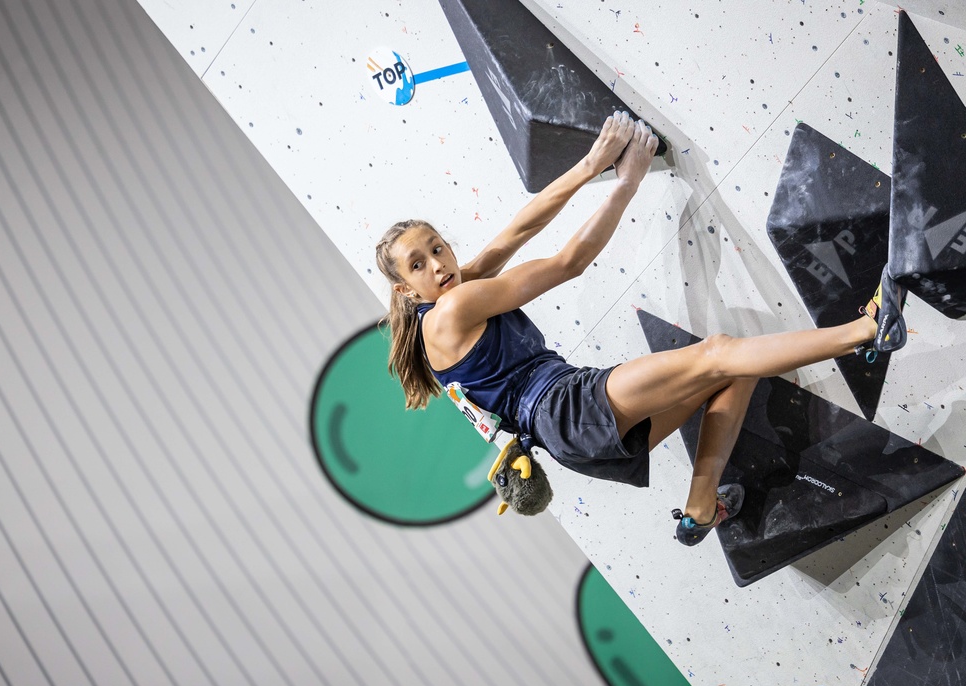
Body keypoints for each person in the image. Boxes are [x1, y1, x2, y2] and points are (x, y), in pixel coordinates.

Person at [376, 112, 905, 544]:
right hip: (566, 407)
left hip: (566, 433)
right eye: (417, 265)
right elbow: (568, 262)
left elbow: (520, 227)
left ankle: (700, 509)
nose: (438, 264)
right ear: (404, 290)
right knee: (720, 353)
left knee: (732, 372)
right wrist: (624, 179)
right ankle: (866, 331)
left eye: (437, 247)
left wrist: (589, 166)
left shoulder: (442, 311)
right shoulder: (455, 307)